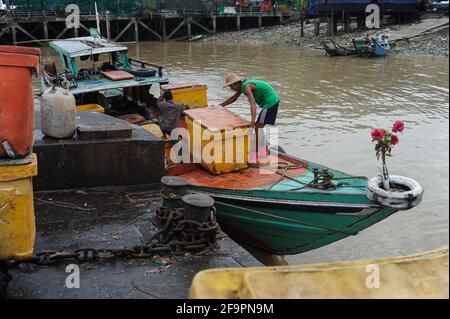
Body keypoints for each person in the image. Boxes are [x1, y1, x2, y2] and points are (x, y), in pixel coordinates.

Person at [219, 73, 280, 163]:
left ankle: (256, 157)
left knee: (257, 128)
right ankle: (263, 150)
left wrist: (252, 122)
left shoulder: (246, 87)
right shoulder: (242, 86)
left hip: (270, 103)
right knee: (258, 128)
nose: (231, 89)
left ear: (235, 84)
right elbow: (233, 99)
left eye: (231, 87)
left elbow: (252, 103)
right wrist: (220, 106)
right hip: (270, 103)